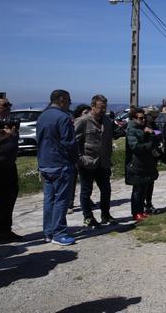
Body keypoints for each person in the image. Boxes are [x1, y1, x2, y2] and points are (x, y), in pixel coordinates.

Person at [36, 89, 78, 246]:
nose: (69, 103)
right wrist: (75, 159)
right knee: (61, 199)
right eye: (68, 100)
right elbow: (69, 142)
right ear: (62, 100)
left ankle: (48, 232)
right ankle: (59, 232)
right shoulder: (63, 117)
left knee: (49, 199)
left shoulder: (43, 116)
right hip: (60, 163)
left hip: (45, 162)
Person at [74, 94, 117, 228]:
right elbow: (74, 142)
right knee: (86, 191)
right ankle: (88, 216)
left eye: (105, 107)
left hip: (103, 162)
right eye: (100, 107)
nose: (103, 110)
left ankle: (105, 214)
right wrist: (80, 159)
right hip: (87, 162)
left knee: (106, 189)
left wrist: (109, 158)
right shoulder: (83, 121)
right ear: (93, 107)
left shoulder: (107, 121)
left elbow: (108, 141)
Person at [0, 98, 23, 243]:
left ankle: (4, 231)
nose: (8, 108)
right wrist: (6, 134)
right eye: (4, 105)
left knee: (9, 199)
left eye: (9, 105)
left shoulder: (9, 123)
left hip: (9, 166)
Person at [125, 107, 160, 221]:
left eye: (144, 117)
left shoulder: (145, 127)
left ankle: (141, 210)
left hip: (146, 162)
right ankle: (136, 212)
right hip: (136, 163)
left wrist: (152, 134)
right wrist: (149, 143)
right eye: (140, 118)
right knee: (138, 189)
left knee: (144, 188)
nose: (143, 120)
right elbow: (135, 147)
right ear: (133, 118)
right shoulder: (131, 130)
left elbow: (158, 135)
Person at [68, 104, 91, 214]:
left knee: (86, 182)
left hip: (85, 156)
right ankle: (70, 203)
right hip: (76, 155)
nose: (88, 115)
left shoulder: (89, 123)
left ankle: (87, 200)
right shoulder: (77, 123)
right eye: (85, 113)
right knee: (73, 180)